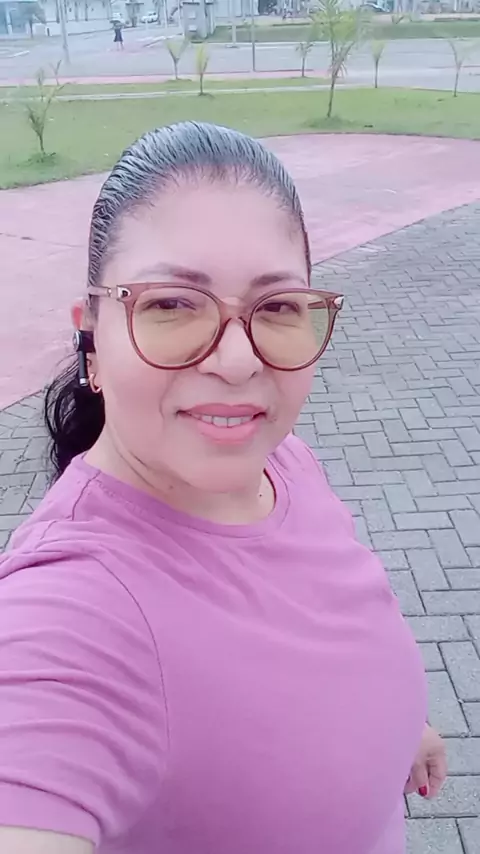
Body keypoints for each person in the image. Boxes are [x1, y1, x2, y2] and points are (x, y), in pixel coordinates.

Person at [0, 122, 446, 854]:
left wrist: (398, 726)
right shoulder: (69, 617)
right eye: (172, 305)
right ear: (92, 339)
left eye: (277, 307)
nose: (237, 362)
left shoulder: (285, 465)